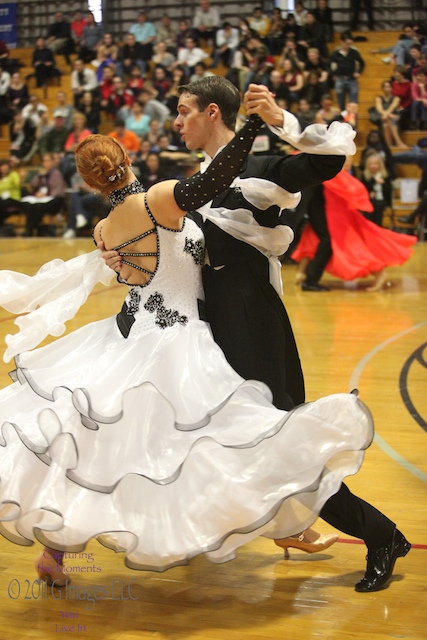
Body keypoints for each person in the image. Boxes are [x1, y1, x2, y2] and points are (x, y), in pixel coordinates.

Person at [0, 114, 374, 587]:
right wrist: (251, 127)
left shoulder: (103, 228)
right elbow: (213, 181)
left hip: (132, 334)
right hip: (178, 339)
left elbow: (135, 274)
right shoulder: (157, 200)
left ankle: (56, 553)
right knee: (214, 437)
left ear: (89, 182)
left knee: (99, 444)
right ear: (127, 159)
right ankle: (268, 524)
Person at [102, 78, 412, 591]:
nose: (176, 123)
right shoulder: (194, 181)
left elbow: (327, 162)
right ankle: (218, 532)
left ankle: (381, 534)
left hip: (252, 318)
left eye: (184, 112)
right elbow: (170, 260)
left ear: (213, 113)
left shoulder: (262, 167)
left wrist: (280, 120)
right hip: (208, 324)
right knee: (205, 436)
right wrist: (124, 261)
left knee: (283, 441)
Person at [292, 157, 417, 291]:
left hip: (337, 216)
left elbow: (355, 192)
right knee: (315, 239)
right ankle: (305, 275)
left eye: (348, 164)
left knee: (351, 246)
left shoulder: (338, 177)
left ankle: (379, 275)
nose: (346, 166)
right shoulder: (333, 174)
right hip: (329, 214)